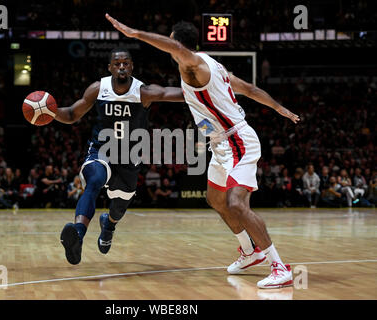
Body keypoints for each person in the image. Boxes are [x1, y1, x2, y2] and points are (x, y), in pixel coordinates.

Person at [106, 14, 300, 288]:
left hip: (238, 141)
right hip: (220, 144)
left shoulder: (193, 64)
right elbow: (250, 89)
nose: (171, 48)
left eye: (172, 42)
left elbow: (177, 50)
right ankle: (248, 251)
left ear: (177, 43)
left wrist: (134, 32)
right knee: (216, 200)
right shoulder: (214, 67)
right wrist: (280, 108)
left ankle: (280, 266)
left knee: (236, 204)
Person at [52, 48, 185, 265]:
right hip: (101, 150)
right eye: (117, 63)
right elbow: (71, 114)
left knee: (119, 207)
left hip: (128, 157)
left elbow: (178, 94)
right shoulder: (98, 88)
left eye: (126, 63)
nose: (121, 66)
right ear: (110, 67)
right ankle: (77, 235)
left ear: (131, 66)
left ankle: (109, 225)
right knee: (93, 180)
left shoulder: (143, 91)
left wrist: (207, 90)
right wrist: (50, 111)